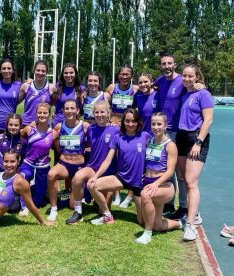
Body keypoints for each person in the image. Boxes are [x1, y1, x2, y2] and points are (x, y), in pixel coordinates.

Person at [87, 108, 150, 225]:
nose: (130, 124)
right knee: (92, 185)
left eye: (133, 121)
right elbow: (107, 160)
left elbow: (153, 157)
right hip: (121, 178)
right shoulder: (118, 138)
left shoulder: (145, 136)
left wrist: (149, 175)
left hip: (139, 183)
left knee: (142, 221)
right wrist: (95, 176)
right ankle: (107, 215)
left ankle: (178, 223)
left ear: (138, 122)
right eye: (127, 121)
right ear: (123, 122)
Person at [65, 100, 119, 224]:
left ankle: (100, 203)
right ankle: (78, 213)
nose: (100, 115)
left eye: (103, 112)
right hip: (92, 167)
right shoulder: (90, 128)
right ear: (93, 114)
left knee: (101, 210)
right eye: (97, 112)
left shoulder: (115, 130)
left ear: (108, 113)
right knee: (77, 180)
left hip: (108, 171)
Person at [176, 64, 213, 241]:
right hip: (182, 137)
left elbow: (208, 120)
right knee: (183, 178)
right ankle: (194, 214)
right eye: (184, 76)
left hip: (196, 139)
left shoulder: (203, 94)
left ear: (197, 77)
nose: (187, 79)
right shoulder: (185, 93)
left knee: (191, 182)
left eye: (191, 76)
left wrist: (198, 142)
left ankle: (190, 225)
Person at [135, 112, 183, 244]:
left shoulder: (170, 145)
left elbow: (170, 171)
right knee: (149, 223)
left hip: (164, 185)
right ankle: (179, 224)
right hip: (147, 181)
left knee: (146, 195)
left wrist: (156, 184)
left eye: (159, 124)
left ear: (165, 125)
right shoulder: (149, 140)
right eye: (153, 124)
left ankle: (147, 234)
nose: (156, 127)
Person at [154, 52, 188, 217]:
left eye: (169, 63)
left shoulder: (182, 80)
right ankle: (169, 203)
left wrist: (200, 85)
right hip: (164, 132)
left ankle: (183, 207)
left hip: (178, 132)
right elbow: (148, 86)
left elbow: (195, 86)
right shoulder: (159, 81)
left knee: (180, 172)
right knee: (167, 169)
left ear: (175, 65)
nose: (166, 66)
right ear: (160, 66)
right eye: (163, 64)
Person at [47, 99, 89, 221]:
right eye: (67, 108)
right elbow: (56, 145)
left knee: (72, 206)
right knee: (51, 175)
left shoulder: (85, 126)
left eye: (72, 108)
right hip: (64, 164)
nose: (69, 111)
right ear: (63, 111)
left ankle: (77, 196)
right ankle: (54, 209)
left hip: (79, 166)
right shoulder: (59, 127)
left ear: (77, 110)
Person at [18, 103, 56, 216]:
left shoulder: (53, 133)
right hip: (28, 163)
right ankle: (24, 205)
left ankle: (35, 199)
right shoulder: (29, 129)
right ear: (36, 113)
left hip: (43, 167)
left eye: (45, 113)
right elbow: (20, 136)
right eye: (40, 112)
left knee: (39, 201)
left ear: (49, 114)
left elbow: (57, 149)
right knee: (26, 176)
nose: (42, 115)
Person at [19, 60, 57, 126]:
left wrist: (54, 112)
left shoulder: (51, 88)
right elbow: (15, 102)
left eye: (43, 71)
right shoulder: (26, 86)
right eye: (38, 70)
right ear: (34, 70)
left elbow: (56, 104)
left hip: (43, 125)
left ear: (47, 72)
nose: (40, 73)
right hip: (26, 124)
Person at [0, 58, 22, 133]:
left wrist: (30, 81)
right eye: (4, 68)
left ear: (13, 70)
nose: (6, 71)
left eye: (9, 68)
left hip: (11, 125)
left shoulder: (18, 85)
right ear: (0, 71)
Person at [51, 63, 85, 128]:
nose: (68, 75)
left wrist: (78, 116)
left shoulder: (82, 89)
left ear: (75, 74)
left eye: (71, 72)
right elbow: (47, 101)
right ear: (62, 74)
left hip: (74, 124)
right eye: (66, 73)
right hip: (58, 124)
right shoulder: (57, 87)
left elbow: (84, 108)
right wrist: (32, 81)